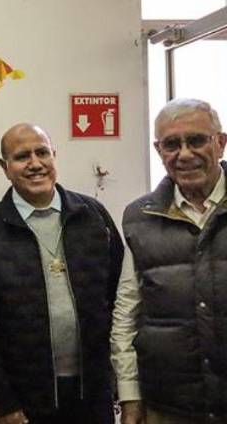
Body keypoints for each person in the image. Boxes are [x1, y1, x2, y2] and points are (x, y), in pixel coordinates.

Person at [0, 123, 123, 424]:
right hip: (26, 398)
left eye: (42, 152)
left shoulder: (93, 216)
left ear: (54, 156)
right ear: (4, 167)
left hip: (94, 391)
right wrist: (1, 402)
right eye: (22, 157)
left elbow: (119, 298)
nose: (35, 164)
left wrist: (121, 385)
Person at [112, 98, 227, 424]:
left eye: (197, 140)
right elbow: (126, 315)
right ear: (159, 150)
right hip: (170, 406)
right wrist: (130, 395)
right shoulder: (139, 218)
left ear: (220, 142)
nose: (185, 153)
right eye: (172, 144)